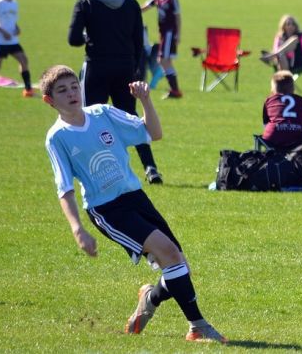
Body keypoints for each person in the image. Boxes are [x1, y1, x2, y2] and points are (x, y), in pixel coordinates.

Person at [41, 65, 228, 345]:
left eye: (73, 86)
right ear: (50, 100)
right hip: (107, 210)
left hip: (135, 197)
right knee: (169, 254)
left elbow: (153, 133)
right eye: (62, 90)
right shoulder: (58, 137)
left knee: (178, 263)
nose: (71, 93)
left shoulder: (102, 113)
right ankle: (197, 326)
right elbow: (64, 188)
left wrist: (146, 100)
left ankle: (150, 299)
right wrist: (78, 229)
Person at [68, 0, 163, 185]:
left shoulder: (86, 2)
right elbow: (139, 43)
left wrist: (88, 35)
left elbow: (73, 39)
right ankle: (150, 167)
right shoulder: (130, 2)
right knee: (131, 118)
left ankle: (95, 168)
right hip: (124, 68)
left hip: (96, 67)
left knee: (90, 119)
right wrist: (137, 72)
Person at [141, 0, 183, 99]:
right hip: (163, 34)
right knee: (167, 61)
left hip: (169, 34)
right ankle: (175, 90)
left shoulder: (172, 0)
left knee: (162, 60)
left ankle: (175, 90)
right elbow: (142, 8)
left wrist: (178, 34)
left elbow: (178, 18)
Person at [0, 0, 33, 98]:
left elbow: (12, 21)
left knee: (24, 60)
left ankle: (28, 89)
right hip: (0, 40)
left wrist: (17, 28)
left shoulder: (15, 3)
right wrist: (3, 32)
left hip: (12, 40)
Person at [262, 70, 302, 149]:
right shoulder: (301, 100)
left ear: (274, 88)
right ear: (292, 87)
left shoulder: (270, 100)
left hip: (273, 137)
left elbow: (265, 123)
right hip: (297, 137)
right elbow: (301, 120)